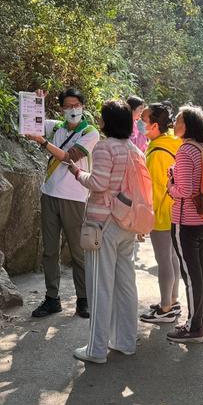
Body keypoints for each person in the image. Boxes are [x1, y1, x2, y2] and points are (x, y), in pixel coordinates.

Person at [67, 100, 141, 363]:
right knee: (125, 284)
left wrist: (78, 173)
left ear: (108, 122)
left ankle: (96, 349)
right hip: (127, 222)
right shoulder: (134, 150)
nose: (99, 120)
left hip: (103, 224)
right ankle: (126, 341)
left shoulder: (104, 147)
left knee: (99, 286)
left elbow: (98, 183)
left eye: (102, 117)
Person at [25, 87, 100, 319]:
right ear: (61, 109)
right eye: (67, 106)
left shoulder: (90, 132)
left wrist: (43, 143)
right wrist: (37, 104)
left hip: (75, 198)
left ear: (83, 106)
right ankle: (52, 298)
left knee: (78, 251)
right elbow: (29, 126)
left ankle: (84, 299)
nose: (72, 109)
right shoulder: (56, 126)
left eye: (76, 105)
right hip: (49, 194)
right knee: (49, 250)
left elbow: (70, 158)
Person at [166, 105, 203, 343]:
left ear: (188, 125)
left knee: (190, 276)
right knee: (202, 272)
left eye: (178, 120)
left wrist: (170, 186)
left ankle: (194, 328)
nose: (174, 124)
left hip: (186, 221)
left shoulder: (185, 150)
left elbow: (184, 191)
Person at [140, 103, 183, 324]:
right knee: (172, 258)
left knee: (163, 260)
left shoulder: (157, 153)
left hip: (162, 214)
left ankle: (166, 307)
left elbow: (156, 191)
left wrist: (146, 219)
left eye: (144, 120)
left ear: (155, 125)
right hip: (176, 210)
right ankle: (172, 300)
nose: (141, 124)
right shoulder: (173, 142)